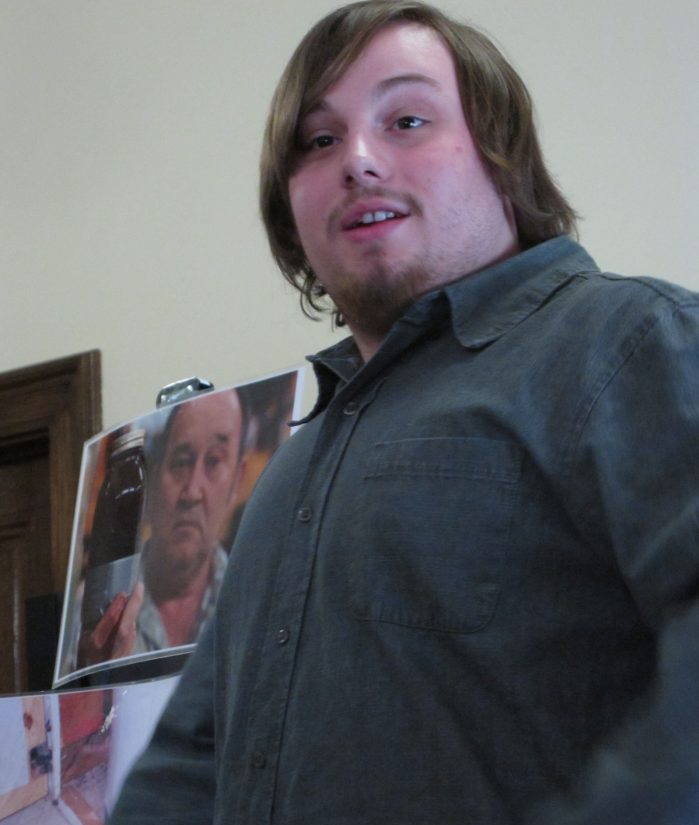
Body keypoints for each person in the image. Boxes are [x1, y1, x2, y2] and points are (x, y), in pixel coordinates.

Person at [110, 2, 699, 823]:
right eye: (317, 140)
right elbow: (189, 758)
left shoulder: (633, 341)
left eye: (408, 119)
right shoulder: (284, 476)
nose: (356, 159)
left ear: (501, 159)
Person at [81, 389, 246, 664]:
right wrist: (96, 672)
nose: (192, 492)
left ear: (237, 482)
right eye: (180, 462)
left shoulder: (255, 604)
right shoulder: (88, 612)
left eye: (214, 461)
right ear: (153, 477)